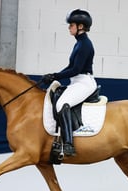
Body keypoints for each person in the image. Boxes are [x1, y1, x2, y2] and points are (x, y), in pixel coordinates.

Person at [42, 9, 98, 157]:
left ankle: (68, 144)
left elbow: (76, 69)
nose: (69, 27)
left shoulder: (85, 44)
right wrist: (54, 76)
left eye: (71, 25)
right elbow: (70, 67)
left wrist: (56, 75)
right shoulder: (79, 43)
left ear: (80, 26)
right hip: (77, 81)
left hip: (84, 82)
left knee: (61, 104)